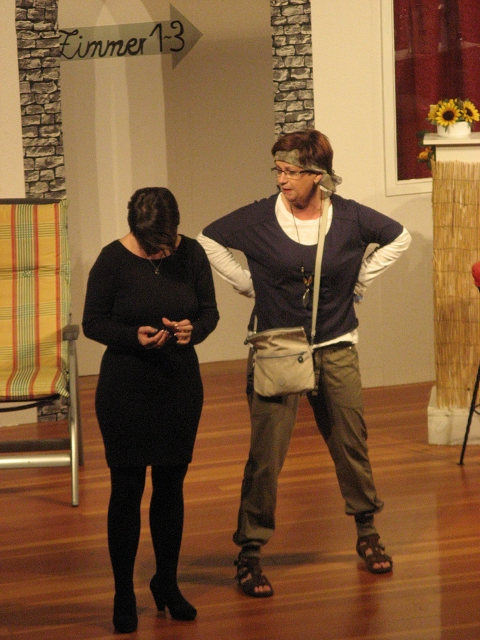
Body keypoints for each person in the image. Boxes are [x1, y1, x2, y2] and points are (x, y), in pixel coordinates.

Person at [197, 129, 411, 597]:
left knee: (351, 443)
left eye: (291, 171)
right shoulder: (260, 218)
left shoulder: (348, 217)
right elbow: (208, 239)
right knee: (266, 455)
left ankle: (367, 531)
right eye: (278, 170)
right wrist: (247, 284)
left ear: (317, 174)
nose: (282, 179)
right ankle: (250, 551)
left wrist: (359, 280)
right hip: (277, 347)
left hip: (335, 345)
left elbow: (399, 236)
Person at [83, 187, 219, 633]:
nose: (160, 252)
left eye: (165, 243)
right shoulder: (111, 260)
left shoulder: (192, 253)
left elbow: (209, 312)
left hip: (179, 386)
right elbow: (93, 322)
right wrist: (131, 336)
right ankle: (123, 592)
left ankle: (167, 582)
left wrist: (192, 330)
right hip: (125, 388)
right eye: (151, 245)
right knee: (126, 490)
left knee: (170, 487)